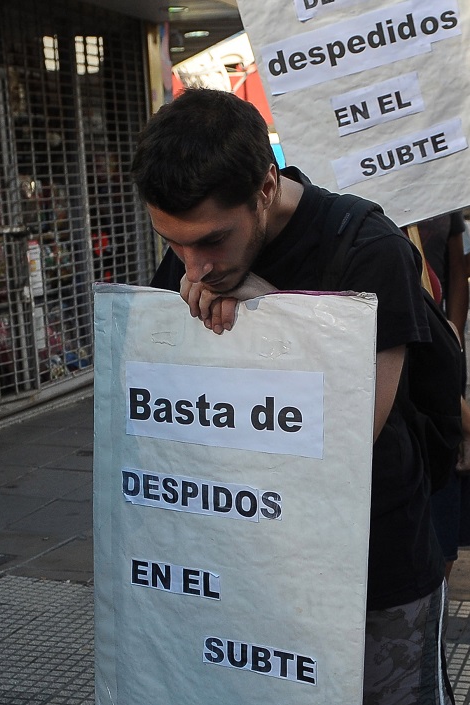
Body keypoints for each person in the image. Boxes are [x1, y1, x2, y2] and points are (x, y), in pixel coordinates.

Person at [137, 88, 448, 705]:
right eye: (174, 243)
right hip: (253, 566)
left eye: (212, 242)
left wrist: (268, 308)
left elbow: (350, 437)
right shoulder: (194, 260)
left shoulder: (368, 249)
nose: (192, 268)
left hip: (372, 569)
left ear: (265, 188)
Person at [409, 211, 470, 582]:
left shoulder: (441, 207)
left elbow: (457, 271)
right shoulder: (373, 240)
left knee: (442, 549)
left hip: (441, 392)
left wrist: (455, 339)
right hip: (415, 400)